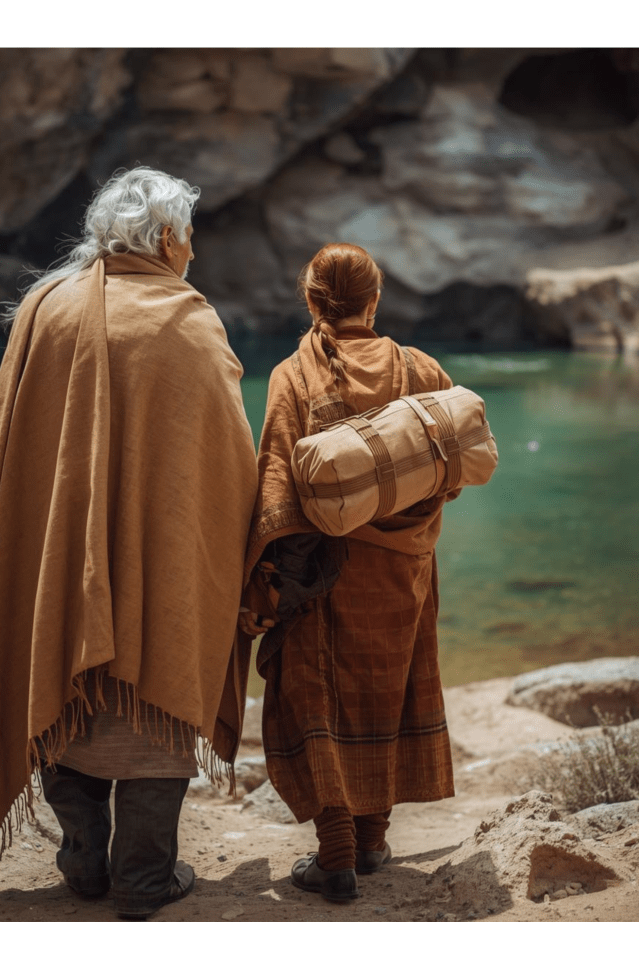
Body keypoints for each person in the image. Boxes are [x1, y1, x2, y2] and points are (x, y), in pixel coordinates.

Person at [0, 166, 259, 920]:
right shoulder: (188, 320)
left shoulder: (42, 307)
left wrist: (47, 541)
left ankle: (83, 858)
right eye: (188, 236)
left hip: (55, 561)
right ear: (165, 238)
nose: (191, 250)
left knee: (60, 666)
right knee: (159, 671)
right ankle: (143, 876)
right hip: (157, 567)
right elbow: (228, 462)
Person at [238, 242, 459, 903]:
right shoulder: (423, 370)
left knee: (320, 697)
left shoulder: (292, 376)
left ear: (309, 300)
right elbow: (451, 474)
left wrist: (261, 574)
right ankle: (371, 840)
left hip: (323, 572)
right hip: (403, 569)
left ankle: (337, 851)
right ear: (376, 299)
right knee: (388, 692)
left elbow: (275, 481)